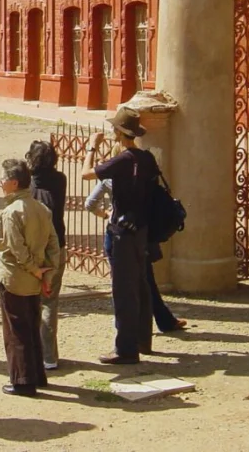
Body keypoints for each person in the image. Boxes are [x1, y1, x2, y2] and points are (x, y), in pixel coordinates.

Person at [82, 107, 155, 365]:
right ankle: (143, 340)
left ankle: (126, 349)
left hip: (122, 231)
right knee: (141, 284)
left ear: (120, 133)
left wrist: (92, 148)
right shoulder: (147, 158)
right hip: (142, 229)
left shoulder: (123, 159)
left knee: (123, 290)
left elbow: (86, 174)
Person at [0, 158, 60, 397]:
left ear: (12, 183)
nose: (0, 183)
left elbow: (16, 248)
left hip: (15, 277)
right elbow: (54, 243)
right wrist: (47, 271)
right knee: (31, 327)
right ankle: (37, 375)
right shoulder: (42, 208)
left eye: (2, 180)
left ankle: (22, 381)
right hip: (34, 278)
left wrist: (33, 268)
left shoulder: (12, 212)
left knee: (16, 331)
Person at [86, 178, 187, 334]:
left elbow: (90, 203)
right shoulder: (142, 176)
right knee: (145, 278)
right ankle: (161, 320)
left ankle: (128, 322)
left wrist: (106, 214)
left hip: (116, 231)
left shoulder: (109, 178)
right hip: (140, 232)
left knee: (121, 282)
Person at [26, 140, 67, 372]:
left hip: (33, 248)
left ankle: (33, 351)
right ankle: (49, 355)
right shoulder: (60, 179)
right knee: (50, 300)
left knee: (30, 300)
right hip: (56, 245)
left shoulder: (28, 184)